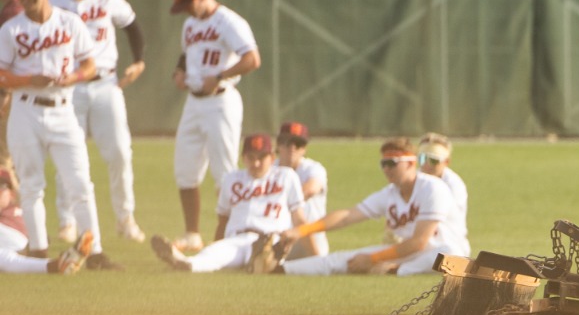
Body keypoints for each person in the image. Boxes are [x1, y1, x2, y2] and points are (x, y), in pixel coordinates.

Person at [0, 0, 105, 264]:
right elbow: (1, 74)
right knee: (31, 184)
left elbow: (90, 65)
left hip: (63, 110)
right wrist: (26, 81)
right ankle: (38, 251)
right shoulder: (11, 29)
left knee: (81, 183)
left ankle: (93, 251)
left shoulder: (69, 23)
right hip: (25, 110)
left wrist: (74, 77)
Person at [51, 0, 146, 245]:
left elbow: (133, 27)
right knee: (68, 152)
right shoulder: (54, 2)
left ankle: (125, 217)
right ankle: (67, 221)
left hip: (107, 84)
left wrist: (138, 61)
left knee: (120, 151)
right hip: (71, 86)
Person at [275, 137, 468, 275]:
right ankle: (279, 269)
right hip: (407, 252)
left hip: (439, 253)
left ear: (410, 163)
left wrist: (374, 259)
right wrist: (302, 231)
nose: (386, 169)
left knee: (448, 253)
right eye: (383, 163)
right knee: (342, 259)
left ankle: (396, 271)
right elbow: (348, 216)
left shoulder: (432, 188)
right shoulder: (390, 192)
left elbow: (420, 242)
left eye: (392, 163)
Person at [170, 0, 261, 254]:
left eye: (187, 4)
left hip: (221, 101)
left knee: (224, 174)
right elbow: (187, 53)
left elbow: (252, 59)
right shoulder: (190, 23)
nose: (186, 10)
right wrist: (180, 71)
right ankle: (192, 235)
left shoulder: (229, 21)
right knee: (184, 171)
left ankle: (226, 236)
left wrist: (220, 75)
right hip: (194, 103)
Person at [150, 132, 301, 273]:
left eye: (261, 157)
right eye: (251, 157)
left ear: (272, 158)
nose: (255, 163)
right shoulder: (232, 179)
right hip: (237, 239)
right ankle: (184, 262)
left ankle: (260, 262)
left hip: (270, 241)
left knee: (262, 258)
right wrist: (218, 243)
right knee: (211, 254)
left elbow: (299, 218)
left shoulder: (286, 176)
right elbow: (223, 220)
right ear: (243, 158)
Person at [0, 164, 90, 274]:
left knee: (6, 259)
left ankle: (56, 264)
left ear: (12, 194)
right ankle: (57, 264)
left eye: (1, 186)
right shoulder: (27, 211)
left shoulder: (21, 211)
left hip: (15, 243)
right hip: (15, 248)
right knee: (6, 259)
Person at [275, 120, 330, 258]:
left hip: (311, 239)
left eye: (298, 144)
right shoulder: (270, 170)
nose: (292, 148)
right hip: (280, 238)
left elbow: (310, 190)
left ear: (304, 149)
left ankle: (318, 262)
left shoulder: (313, 169)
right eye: (287, 142)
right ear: (279, 144)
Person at [416, 132, 470, 251]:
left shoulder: (454, 185)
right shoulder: (413, 179)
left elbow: (446, 222)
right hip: (420, 241)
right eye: (422, 158)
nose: (426, 164)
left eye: (433, 160)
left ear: (446, 162)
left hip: (448, 243)